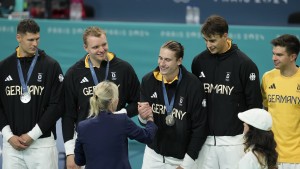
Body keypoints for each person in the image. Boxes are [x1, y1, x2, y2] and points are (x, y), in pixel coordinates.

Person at [62, 26, 140, 169]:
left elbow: (138, 102)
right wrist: (69, 153)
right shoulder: (74, 73)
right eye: (95, 47)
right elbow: (68, 115)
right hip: (85, 145)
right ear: (85, 48)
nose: (101, 50)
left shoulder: (123, 68)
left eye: (104, 44)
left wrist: (120, 114)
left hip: (115, 145)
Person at [191, 15, 263, 169]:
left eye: (213, 40)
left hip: (235, 142)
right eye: (205, 40)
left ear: (225, 36)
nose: (208, 45)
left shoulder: (245, 64)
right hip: (205, 142)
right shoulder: (198, 62)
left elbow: (255, 104)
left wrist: (251, 139)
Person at [0, 18, 64, 169]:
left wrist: (32, 135)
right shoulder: (4, 67)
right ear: (19, 38)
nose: (35, 44)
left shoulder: (51, 66)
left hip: (42, 145)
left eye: (37, 39)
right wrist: (8, 136)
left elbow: (57, 105)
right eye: (30, 40)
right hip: (12, 147)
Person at [138, 40, 207, 169]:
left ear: (179, 61)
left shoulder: (193, 86)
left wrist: (186, 164)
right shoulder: (148, 81)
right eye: (160, 58)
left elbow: (200, 128)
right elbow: (144, 122)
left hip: (180, 160)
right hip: (152, 157)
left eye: (167, 60)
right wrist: (142, 117)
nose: (162, 64)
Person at [74, 81, 157, 168]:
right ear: (115, 101)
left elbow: (79, 160)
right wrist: (149, 118)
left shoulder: (82, 126)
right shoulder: (122, 121)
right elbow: (148, 136)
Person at [261, 34, 300, 169]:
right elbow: (265, 111)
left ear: (292, 57)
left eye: (279, 55)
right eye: (273, 54)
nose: (274, 58)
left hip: (297, 158)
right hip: (272, 155)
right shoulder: (267, 78)